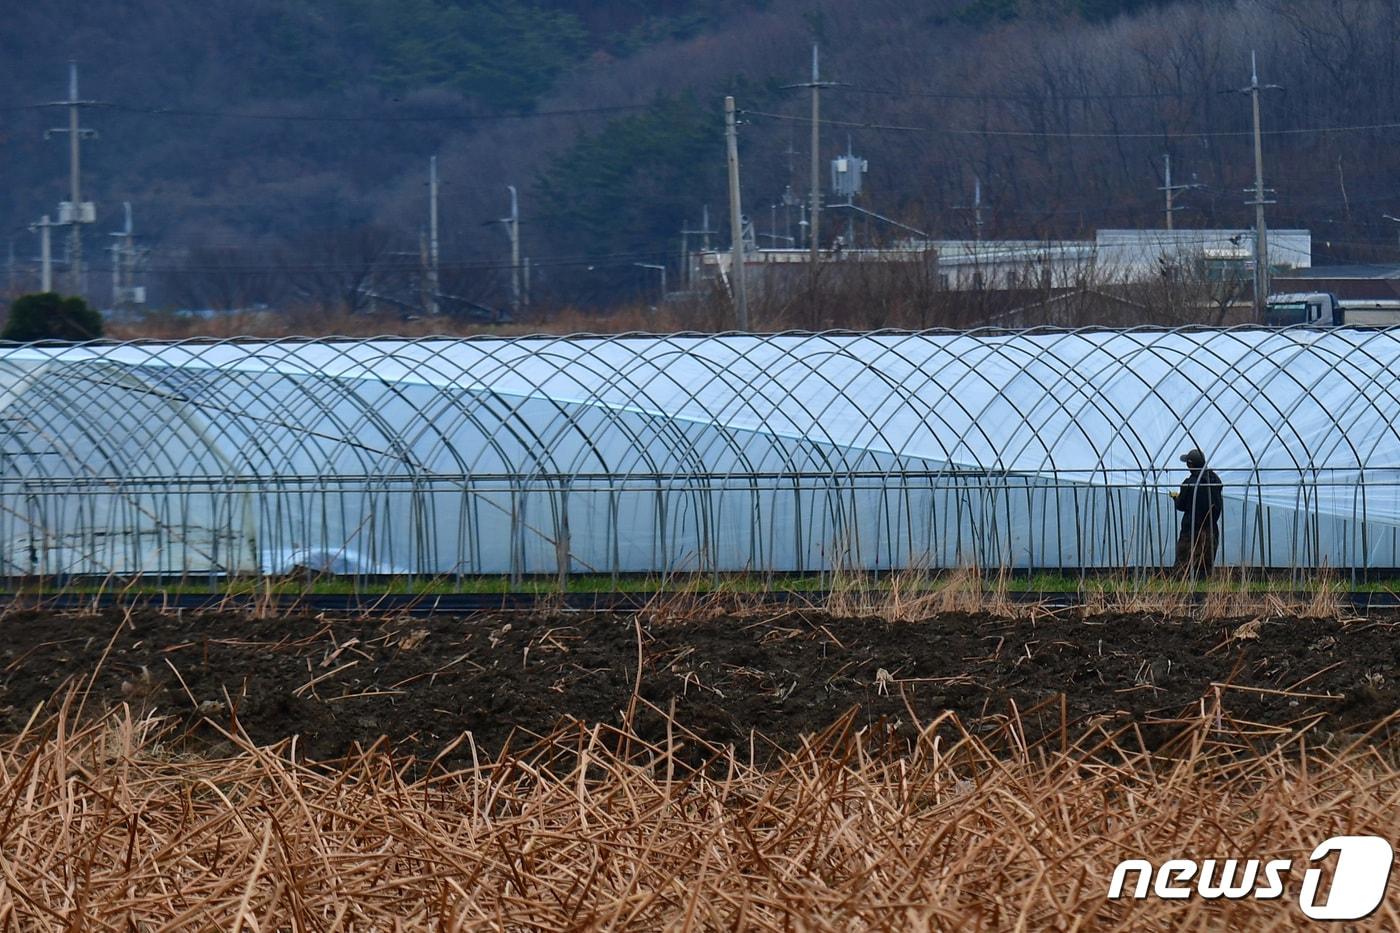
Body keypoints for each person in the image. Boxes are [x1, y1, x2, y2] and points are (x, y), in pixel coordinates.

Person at [1172, 448, 1224, 577]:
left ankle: (1179, 594)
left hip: (1191, 532)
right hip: (1210, 530)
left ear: (1190, 465)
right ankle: (1204, 594)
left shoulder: (1189, 484)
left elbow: (1181, 505)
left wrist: (1175, 498)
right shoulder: (1215, 481)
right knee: (1205, 568)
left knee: (1182, 566)